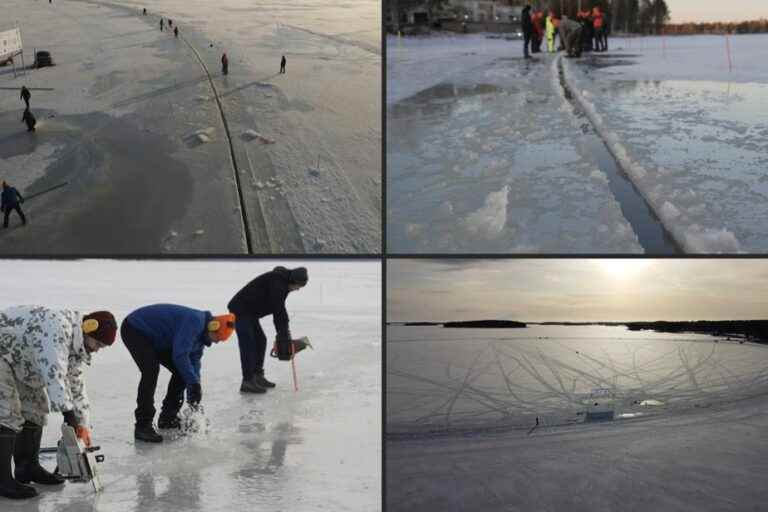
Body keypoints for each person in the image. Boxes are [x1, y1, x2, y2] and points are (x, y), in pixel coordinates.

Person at [0, 307, 116, 500]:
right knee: (8, 412)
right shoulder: (57, 328)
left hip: (18, 359)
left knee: (36, 408)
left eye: (101, 347)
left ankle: (27, 467)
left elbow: (76, 387)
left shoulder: (76, 347)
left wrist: (83, 426)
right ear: (87, 328)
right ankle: (2, 481)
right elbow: (55, 375)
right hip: (3, 354)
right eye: (97, 343)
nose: (96, 349)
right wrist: (69, 416)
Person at [121, 304, 235, 443]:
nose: (216, 342)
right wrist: (192, 382)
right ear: (213, 326)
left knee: (182, 372)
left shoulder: (201, 338)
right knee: (150, 371)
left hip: (159, 338)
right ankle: (143, 425)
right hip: (136, 329)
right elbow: (180, 355)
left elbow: (194, 363)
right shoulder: (195, 322)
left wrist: (195, 386)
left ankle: (168, 417)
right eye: (217, 337)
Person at [228, 267, 308, 394]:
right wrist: (282, 333)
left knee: (260, 340)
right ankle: (247, 381)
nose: (297, 289)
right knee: (248, 343)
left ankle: (257, 375)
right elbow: (278, 310)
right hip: (241, 310)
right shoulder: (279, 284)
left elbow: (280, 308)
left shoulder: (282, 283)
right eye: (298, 286)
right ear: (294, 281)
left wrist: (284, 330)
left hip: (250, 313)